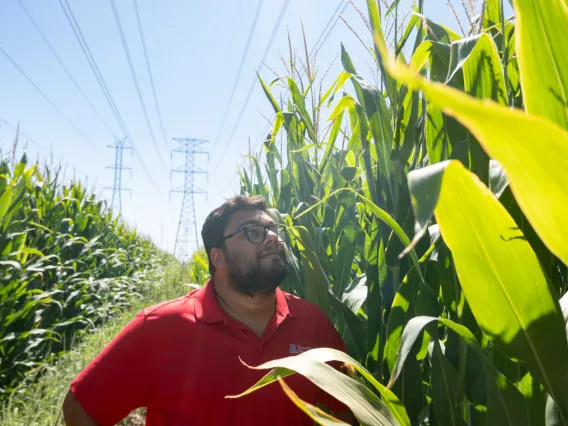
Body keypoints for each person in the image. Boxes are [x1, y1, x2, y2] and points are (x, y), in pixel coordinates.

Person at [62, 195, 356, 425]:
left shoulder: (312, 323)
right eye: (253, 231)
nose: (272, 238)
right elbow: (82, 406)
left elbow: (353, 407)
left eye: (272, 230)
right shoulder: (161, 327)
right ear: (218, 256)